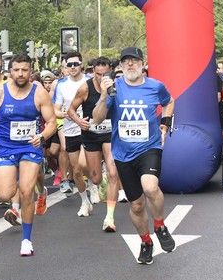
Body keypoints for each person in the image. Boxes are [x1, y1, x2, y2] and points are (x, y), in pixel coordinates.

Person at [92, 47, 177, 265]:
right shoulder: (114, 89)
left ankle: (159, 226)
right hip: (123, 153)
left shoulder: (155, 86)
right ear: (120, 66)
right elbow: (98, 118)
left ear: (142, 63)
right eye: (126, 62)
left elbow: (169, 101)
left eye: (134, 61)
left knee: (150, 187)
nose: (130, 65)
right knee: (137, 205)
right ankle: (146, 241)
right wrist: (103, 95)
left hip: (149, 147)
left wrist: (165, 125)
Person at [0, 53, 57, 256]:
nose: (20, 74)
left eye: (24, 70)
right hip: (6, 147)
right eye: (16, 70)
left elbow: (52, 122)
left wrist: (42, 136)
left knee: (27, 191)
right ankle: (30, 189)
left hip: (30, 146)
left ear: (30, 72)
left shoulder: (39, 93)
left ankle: (26, 239)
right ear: (10, 71)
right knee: (3, 194)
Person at [69, 57, 122, 232]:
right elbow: (70, 109)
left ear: (111, 71)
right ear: (93, 72)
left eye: (105, 74)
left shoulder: (116, 86)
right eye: (98, 74)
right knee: (96, 178)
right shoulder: (85, 88)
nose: (101, 77)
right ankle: (93, 189)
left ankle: (109, 217)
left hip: (110, 134)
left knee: (113, 173)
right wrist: (79, 121)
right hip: (91, 135)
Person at [53, 51, 91, 212]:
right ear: (66, 67)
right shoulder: (61, 85)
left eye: (76, 64)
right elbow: (56, 108)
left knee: (85, 164)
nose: (73, 67)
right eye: (70, 65)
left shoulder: (89, 81)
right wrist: (62, 114)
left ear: (81, 64)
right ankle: (85, 201)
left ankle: (93, 184)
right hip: (70, 129)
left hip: (89, 128)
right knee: (76, 170)